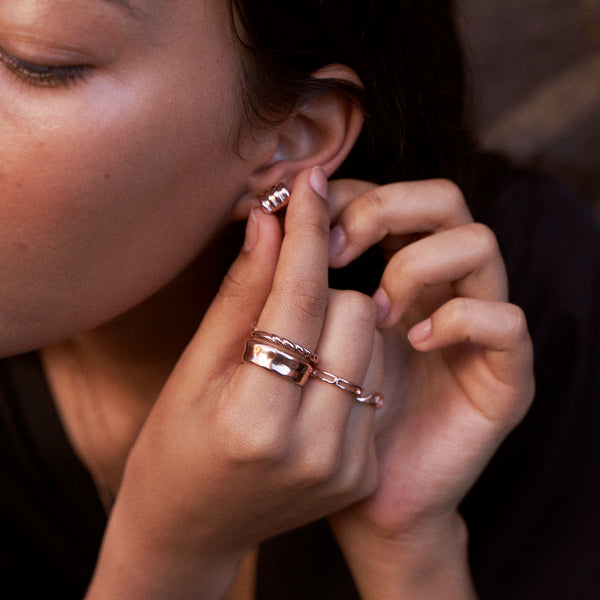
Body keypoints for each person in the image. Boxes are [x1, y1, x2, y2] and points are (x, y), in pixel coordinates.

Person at [0, 0, 598, 598]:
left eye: (35, 62)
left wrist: (406, 544)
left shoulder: (501, 322)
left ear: (291, 140)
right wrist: (169, 556)